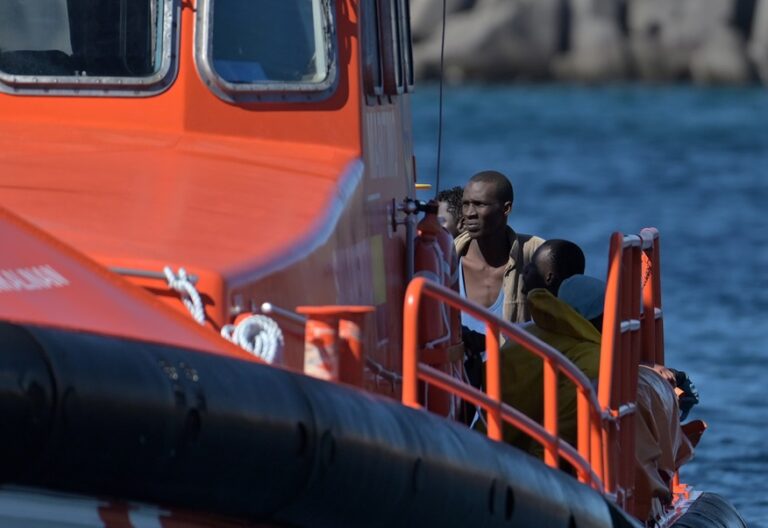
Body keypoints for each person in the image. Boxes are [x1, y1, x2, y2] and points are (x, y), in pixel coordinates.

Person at [455, 170, 545, 326]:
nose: (469, 213)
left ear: (506, 209)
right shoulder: (445, 259)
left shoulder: (535, 255)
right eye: (465, 204)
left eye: (479, 204)